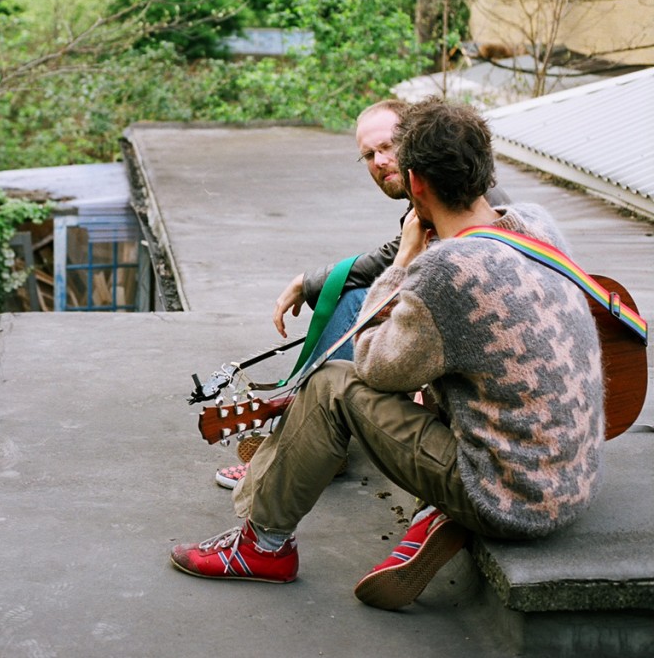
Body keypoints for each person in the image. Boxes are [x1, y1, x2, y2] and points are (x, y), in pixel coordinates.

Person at [173, 98, 604, 611]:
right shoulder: (535, 223)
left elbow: (374, 365)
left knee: (332, 385)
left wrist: (402, 262)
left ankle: (261, 547)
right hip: (573, 479)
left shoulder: (448, 269)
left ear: (415, 182)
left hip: (511, 500)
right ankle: (434, 511)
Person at [214, 99, 510, 489]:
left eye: (387, 147)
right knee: (355, 300)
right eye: (369, 155)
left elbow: (407, 288)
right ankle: (304, 433)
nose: (379, 161)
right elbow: (396, 255)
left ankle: (297, 453)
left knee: (354, 317)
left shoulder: (468, 207)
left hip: (492, 420)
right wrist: (315, 281)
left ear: (417, 139)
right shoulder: (452, 197)